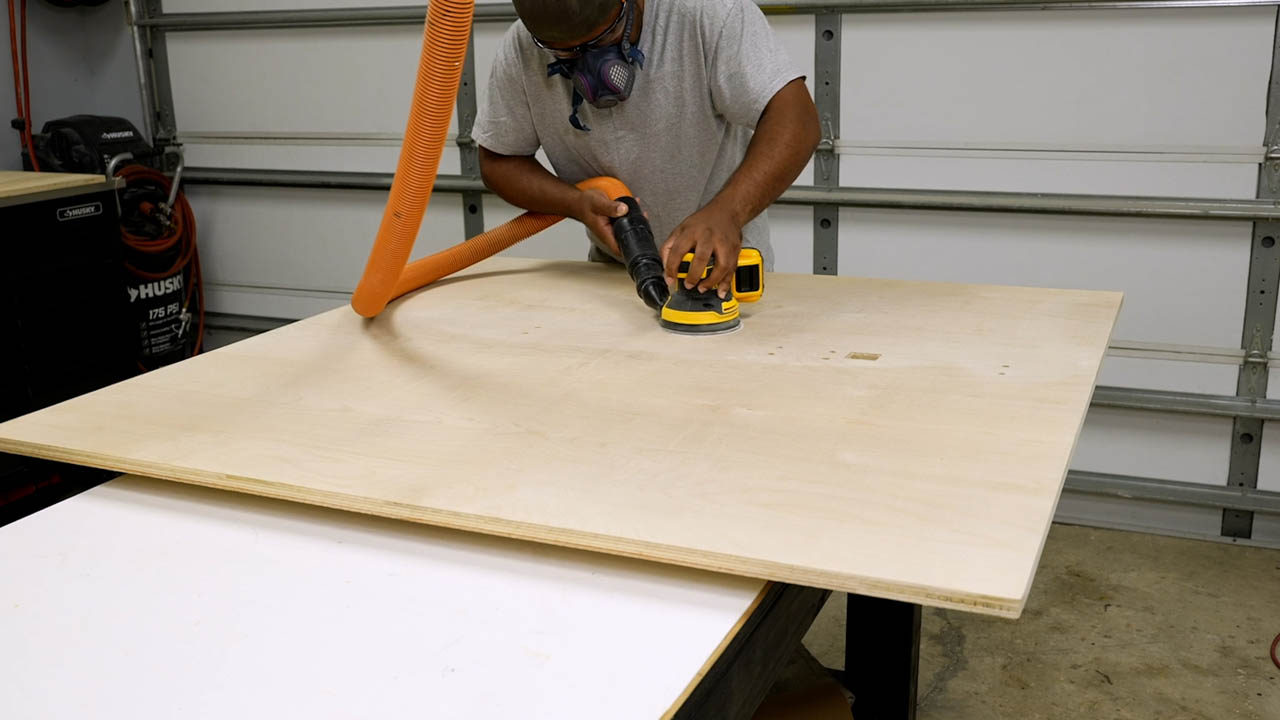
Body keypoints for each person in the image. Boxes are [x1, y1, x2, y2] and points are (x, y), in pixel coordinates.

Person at [472, 0, 820, 298]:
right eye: (566, 53)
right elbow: (499, 160)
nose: (591, 69)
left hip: (724, 273)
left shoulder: (707, 14)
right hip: (615, 279)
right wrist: (574, 203)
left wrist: (728, 213)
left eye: (603, 39)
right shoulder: (524, 46)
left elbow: (797, 120)